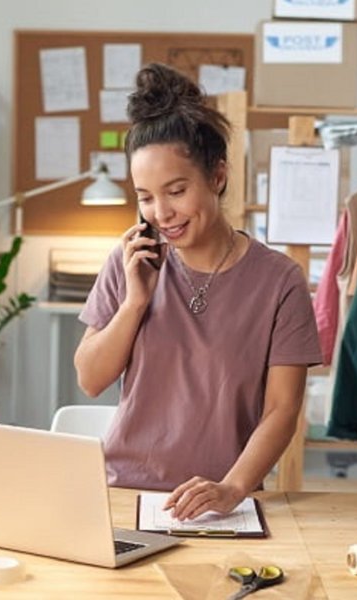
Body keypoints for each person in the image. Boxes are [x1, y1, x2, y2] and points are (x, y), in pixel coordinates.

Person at [74, 63, 322, 519]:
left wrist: (232, 489)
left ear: (218, 177)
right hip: (125, 494)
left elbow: (282, 410)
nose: (162, 213)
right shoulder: (131, 260)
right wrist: (135, 302)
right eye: (145, 197)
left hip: (224, 505)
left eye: (177, 190)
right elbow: (90, 379)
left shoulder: (280, 281)